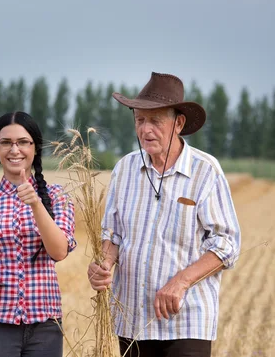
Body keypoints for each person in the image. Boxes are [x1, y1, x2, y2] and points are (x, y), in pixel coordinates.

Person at [87, 72, 241, 357]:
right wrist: (104, 265)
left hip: (186, 321)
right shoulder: (125, 169)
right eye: (140, 120)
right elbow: (112, 234)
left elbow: (226, 245)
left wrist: (180, 282)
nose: (146, 130)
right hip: (131, 321)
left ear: (178, 123)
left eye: (155, 120)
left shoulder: (205, 171)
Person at [0, 111, 77, 357]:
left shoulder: (56, 197)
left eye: (23, 142)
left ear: (35, 148)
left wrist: (36, 204)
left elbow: (58, 252)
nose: (14, 150)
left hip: (45, 324)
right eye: (6, 142)